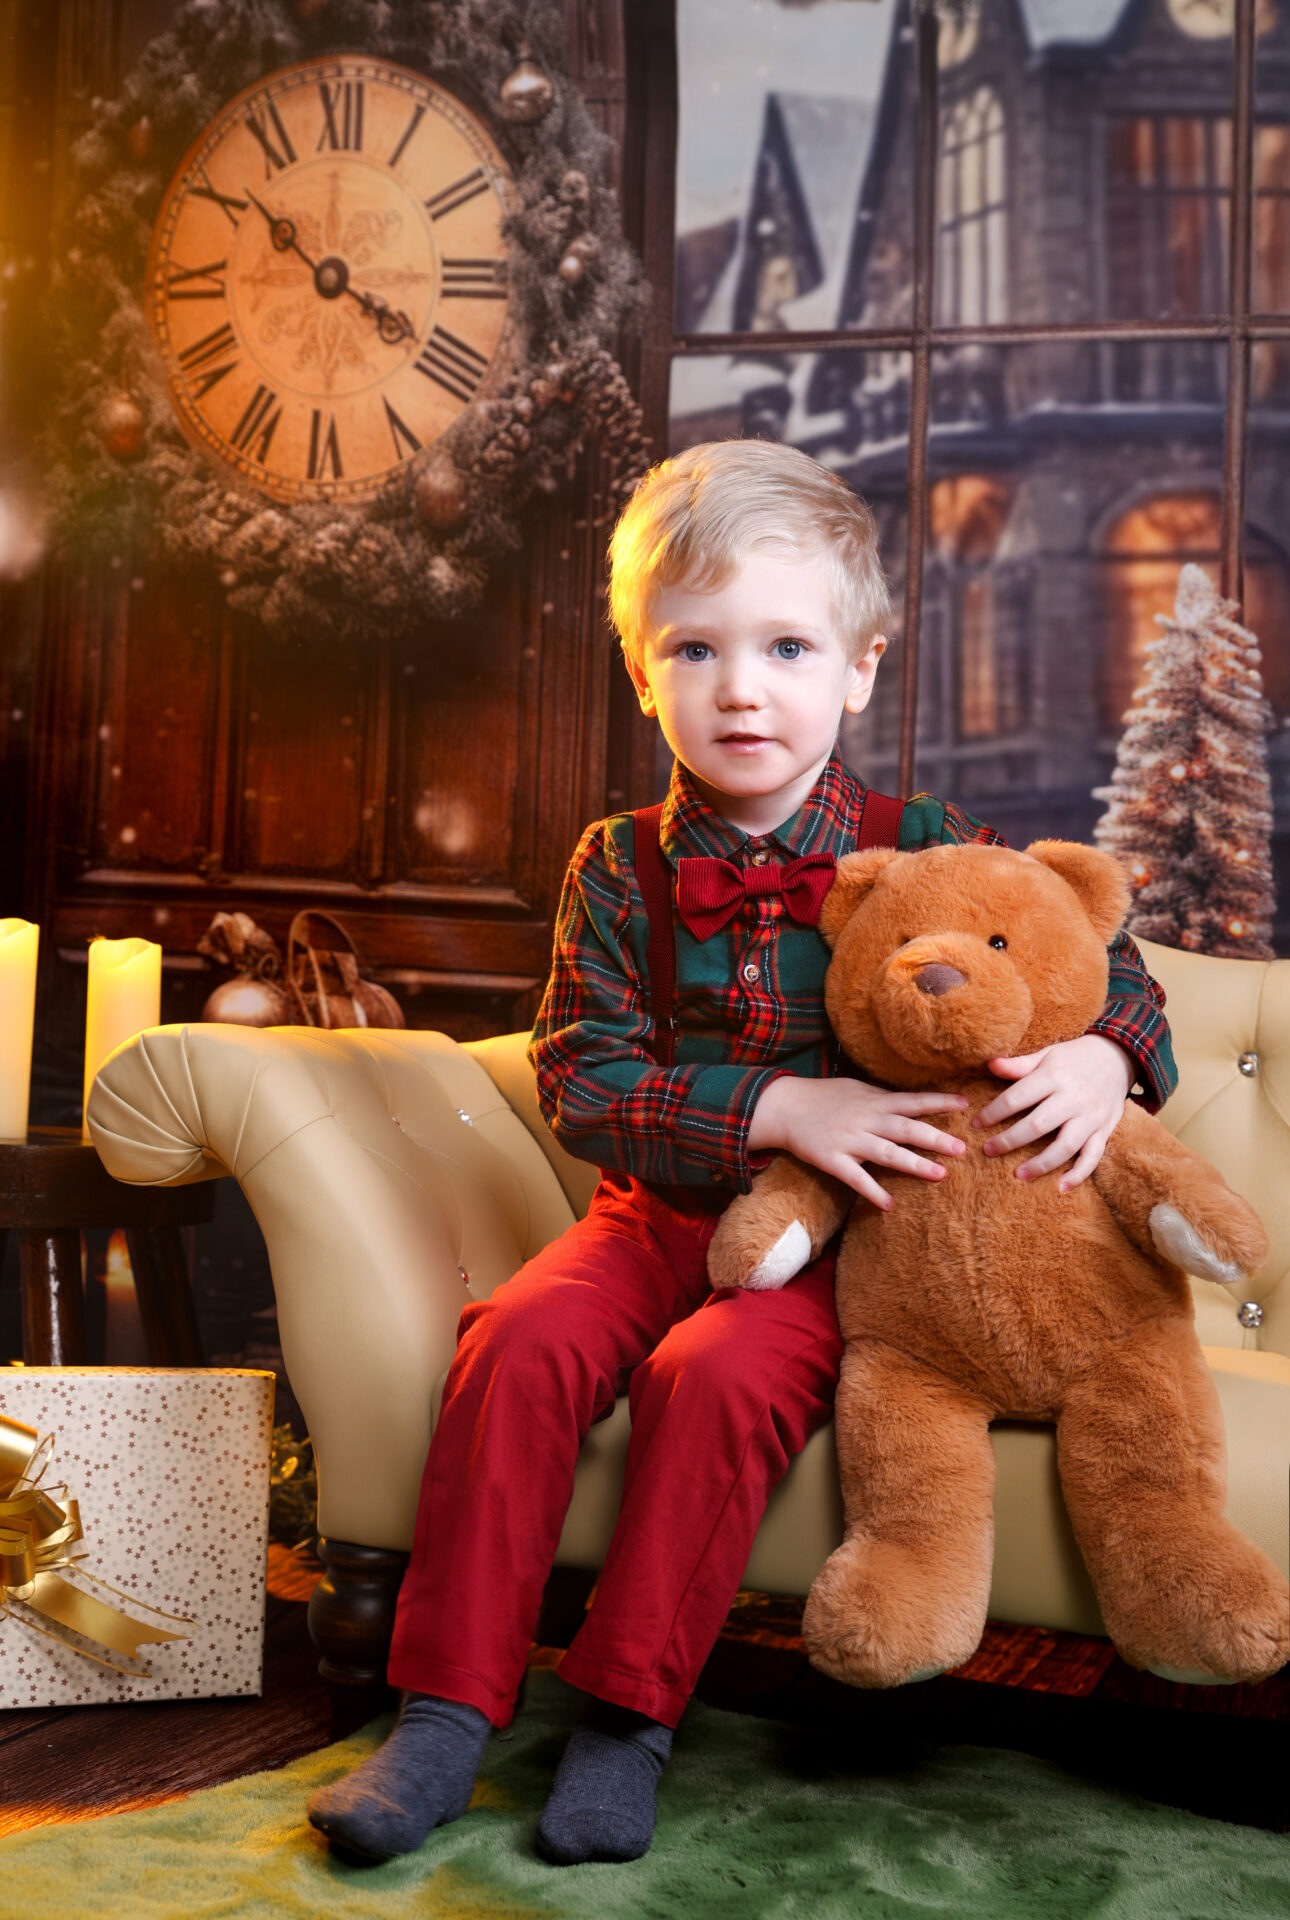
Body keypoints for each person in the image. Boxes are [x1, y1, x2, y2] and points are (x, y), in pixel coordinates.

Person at [307, 439, 1176, 1866]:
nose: (740, 687)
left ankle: (626, 1718)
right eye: (694, 650)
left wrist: (1100, 1055)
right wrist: (776, 1108)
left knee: (708, 1376)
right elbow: (581, 1075)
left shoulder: (928, 845)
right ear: (644, 675)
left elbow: (1108, 966)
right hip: (651, 1210)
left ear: (859, 669)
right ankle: (445, 1710)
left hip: (843, 1244)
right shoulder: (614, 864)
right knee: (515, 1343)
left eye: (784, 645)